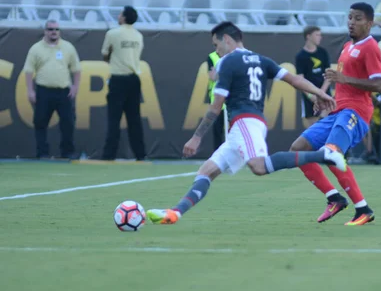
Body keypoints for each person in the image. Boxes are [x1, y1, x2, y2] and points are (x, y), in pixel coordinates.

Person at [146, 22, 345, 225]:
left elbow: (215, 107)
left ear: (227, 39)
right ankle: (175, 213)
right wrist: (320, 93)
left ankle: (324, 155)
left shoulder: (228, 62)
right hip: (242, 128)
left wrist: (196, 137)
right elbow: (293, 79)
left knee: (258, 166)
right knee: (206, 171)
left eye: (216, 45)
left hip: (244, 123)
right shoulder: (261, 59)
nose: (216, 51)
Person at [290, 2, 381, 226]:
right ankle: (334, 198)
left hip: (356, 112)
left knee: (331, 153)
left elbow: (380, 85)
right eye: (350, 17)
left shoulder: (370, 47)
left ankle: (363, 209)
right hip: (338, 111)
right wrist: (326, 100)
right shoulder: (347, 46)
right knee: (298, 150)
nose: (351, 22)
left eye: (358, 18)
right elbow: (342, 86)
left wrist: (345, 79)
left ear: (369, 24)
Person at [23, 20, 81, 159]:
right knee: (40, 122)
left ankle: (67, 152)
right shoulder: (36, 48)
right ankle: (42, 153)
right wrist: (30, 90)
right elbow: (29, 71)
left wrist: (75, 86)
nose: (53, 32)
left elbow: (76, 69)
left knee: (68, 123)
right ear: (45, 31)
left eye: (56, 29)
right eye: (50, 29)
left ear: (59, 31)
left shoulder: (68, 47)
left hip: (63, 91)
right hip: (44, 90)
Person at [100, 6, 146, 161]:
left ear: (124, 18)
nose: (118, 16)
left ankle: (109, 155)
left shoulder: (112, 33)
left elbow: (105, 55)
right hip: (134, 79)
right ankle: (141, 155)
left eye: (120, 14)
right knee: (134, 119)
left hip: (118, 79)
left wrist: (114, 58)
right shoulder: (138, 35)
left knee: (114, 119)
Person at [295, 26, 331, 128]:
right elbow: (300, 80)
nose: (320, 37)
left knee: (326, 126)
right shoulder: (301, 56)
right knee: (314, 130)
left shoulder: (323, 52)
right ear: (308, 36)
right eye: (317, 35)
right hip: (310, 97)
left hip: (324, 94)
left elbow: (329, 76)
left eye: (320, 35)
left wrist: (321, 93)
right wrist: (311, 96)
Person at [206, 50, 225, 152]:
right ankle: (217, 158)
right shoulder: (212, 56)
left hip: (232, 102)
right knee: (218, 131)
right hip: (217, 101)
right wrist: (228, 74)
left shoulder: (234, 55)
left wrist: (219, 73)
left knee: (234, 132)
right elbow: (212, 77)